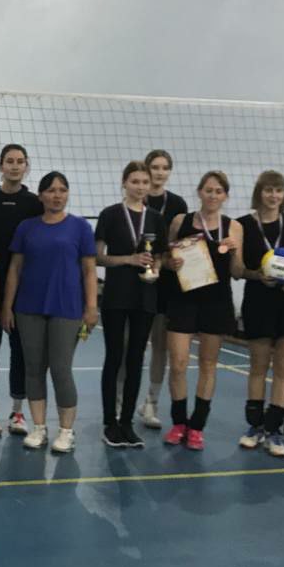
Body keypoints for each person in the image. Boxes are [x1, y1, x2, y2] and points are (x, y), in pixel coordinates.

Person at [1, 172, 97, 453]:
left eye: (62, 190)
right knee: (33, 369)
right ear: (41, 195)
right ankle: (39, 427)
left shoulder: (80, 227)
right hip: (28, 307)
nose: (57, 195)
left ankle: (66, 431)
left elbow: (89, 270)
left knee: (60, 369)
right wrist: (7, 306)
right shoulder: (27, 227)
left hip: (66, 308)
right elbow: (15, 269)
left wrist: (92, 307)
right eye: (51, 190)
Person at [234, 170, 284, 458]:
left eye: (278, 190)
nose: (273, 195)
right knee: (258, 366)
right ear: (259, 192)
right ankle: (254, 426)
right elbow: (236, 269)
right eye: (268, 190)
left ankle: (274, 430)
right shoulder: (242, 225)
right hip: (258, 301)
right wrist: (257, 275)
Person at [162, 171, 242, 451]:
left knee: (208, 364)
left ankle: (197, 426)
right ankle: (178, 422)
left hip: (216, 302)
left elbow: (237, 272)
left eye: (219, 191)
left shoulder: (233, 227)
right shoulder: (180, 221)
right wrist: (170, 263)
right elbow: (166, 257)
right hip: (183, 299)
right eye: (208, 190)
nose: (213, 195)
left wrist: (235, 252)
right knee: (178, 363)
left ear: (225, 196)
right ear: (199, 192)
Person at [95, 161, 168, 449]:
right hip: (116, 295)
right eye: (135, 181)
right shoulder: (110, 214)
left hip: (145, 297)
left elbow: (160, 255)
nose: (140, 187)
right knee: (115, 357)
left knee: (136, 359)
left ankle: (126, 422)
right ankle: (109, 423)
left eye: (144, 182)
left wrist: (156, 270)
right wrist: (129, 259)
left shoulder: (156, 219)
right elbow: (98, 256)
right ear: (124, 183)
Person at [0, 144, 42, 436]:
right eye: (9, 161)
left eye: (20, 161)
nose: (15, 166)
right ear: (1, 165)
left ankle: (18, 411)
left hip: (24, 291)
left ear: (26, 166)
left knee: (21, 352)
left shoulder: (34, 203)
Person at [140, 149, 188, 430]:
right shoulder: (135, 197)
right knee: (129, 347)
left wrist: (170, 262)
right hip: (137, 281)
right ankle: (121, 403)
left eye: (164, 168)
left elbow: (182, 245)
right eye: (155, 167)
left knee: (160, 347)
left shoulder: (178, 204)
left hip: (166, 285)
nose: (159, 172)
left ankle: (151, 402)